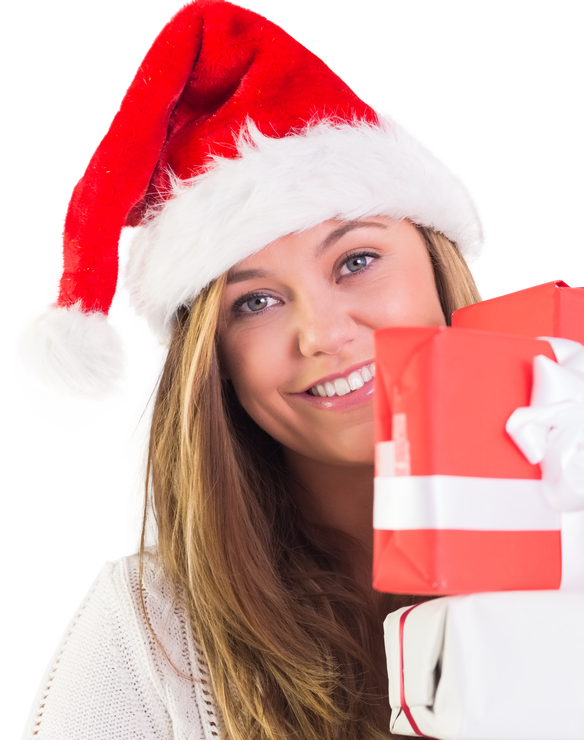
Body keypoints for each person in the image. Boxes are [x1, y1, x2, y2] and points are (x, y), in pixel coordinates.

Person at [12, 1, 493, 737]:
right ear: (217, 363)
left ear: (438, 266)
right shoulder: (144, 643)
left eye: (357, 260)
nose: (322, 334)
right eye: (256, 302)